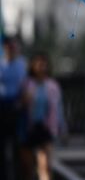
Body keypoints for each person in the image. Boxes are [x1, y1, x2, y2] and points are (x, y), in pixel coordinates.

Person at [19, 52, 66, 180]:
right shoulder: (27, 84)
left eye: (44, 65)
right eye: (39, 64)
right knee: (27, 168)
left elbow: (58, 109)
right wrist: (25, 99)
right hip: (29, 128)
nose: (41, 67)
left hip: (45, 127)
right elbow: (20, 105)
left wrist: (62, 129)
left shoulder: (52, 86)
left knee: (45, 164)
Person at [0, 36, 27, 180]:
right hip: (2, 106)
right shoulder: (1, 64)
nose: (11, 50)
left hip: (16, 107)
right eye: (8, 47)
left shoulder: (21, 64)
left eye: (13, 47)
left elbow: (25, 86)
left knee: (17, 146)